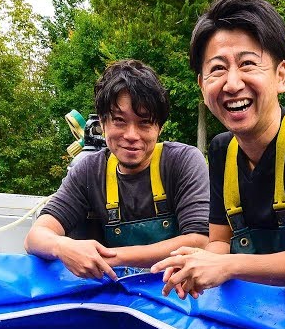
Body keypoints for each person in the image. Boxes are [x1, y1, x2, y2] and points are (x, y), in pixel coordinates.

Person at [151, 0, 285, 297]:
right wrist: (195, 262)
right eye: (217, 69)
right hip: (259, 305)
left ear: (281, 75)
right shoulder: (221, 149)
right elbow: (219, 242)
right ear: (202, 85)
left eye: (248, 64)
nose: (233, 83)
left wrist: (227, 266)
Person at [25, 60, 209, 279]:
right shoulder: (88, 170)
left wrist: (109, 258)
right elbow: (35, 236)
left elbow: (200, 241)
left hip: (179, 293)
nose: (131, 135)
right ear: (102, 124)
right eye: (119, 121)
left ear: (159, 127)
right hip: (117, 295)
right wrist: (62, 246)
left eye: (144, 123)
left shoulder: (182, 161)